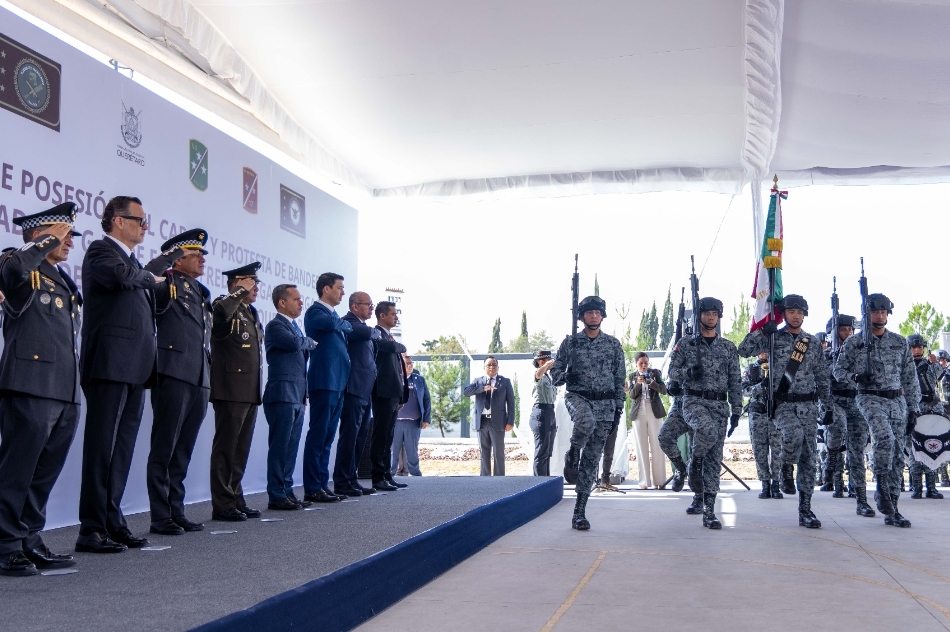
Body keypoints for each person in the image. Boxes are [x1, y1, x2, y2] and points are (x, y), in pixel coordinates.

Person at [78, 196, 167, 553]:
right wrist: (150, 277)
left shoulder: (132, 262)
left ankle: (113, 521)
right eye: (140, 220)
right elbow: (120, 277)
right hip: (110, 364)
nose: (145, 226)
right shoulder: (101, 252)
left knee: (122, 450)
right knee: (102, 448)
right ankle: (91, 528)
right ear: (118, 220)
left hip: (135, 367)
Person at [0, 204, 82, 576]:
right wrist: (46, 240)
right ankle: (5, 545)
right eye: (63, 235)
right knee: (17, 471)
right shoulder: (16, 262)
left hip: (64, 387)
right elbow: (12, 271)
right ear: (38, 235)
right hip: (30, 383)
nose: (69, 242)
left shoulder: (61, 278)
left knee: (44, 473)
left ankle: (30, 540)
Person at [738, 295, 832, 529]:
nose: (796, 316)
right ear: (784, 314)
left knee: (809, 457)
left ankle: (805, 509)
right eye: (791, 312)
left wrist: (827, 406)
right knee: (792, 435)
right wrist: (763, 332)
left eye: (800, 312)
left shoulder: (811, 343)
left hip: (808, 406)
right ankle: (786, 467)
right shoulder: (773, 338)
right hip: (782, 405)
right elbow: (743, 350)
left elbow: (822, 376)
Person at [144, 229, 213, 535]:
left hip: (198, 376)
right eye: (194, 254)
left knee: (183, 449)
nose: (201, 259)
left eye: (202, 254)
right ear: (179, 258)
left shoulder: (201, 292)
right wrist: (168, 258)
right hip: (172, 372)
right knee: (165, 447)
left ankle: (176, 510)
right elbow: (146, 279)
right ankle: (161, 516)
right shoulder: (166, 282)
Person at [833, 293, 920, 528]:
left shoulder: (899, 342)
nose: (880, 316)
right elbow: (838, 371)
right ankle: (881, 484)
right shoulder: (855, 343)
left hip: (897, 401)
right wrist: (855, 377)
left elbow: (910, 378)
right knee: (884, 438)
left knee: (897, 455)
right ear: (866, 313)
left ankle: (893, 508)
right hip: (869, 398)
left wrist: (914, 408)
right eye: (875, 312)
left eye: (883, 312)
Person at [550, 296, 625, 530]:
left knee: (592, 459)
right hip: (578, 397)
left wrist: (619, 407)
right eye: (589, 312)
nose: (593, 316)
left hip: (606, 404)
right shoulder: (570, 343)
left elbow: (619, 377)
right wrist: (565, 375)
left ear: (602, 316)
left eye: (597, 312)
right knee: (585, 421)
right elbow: (555, 374)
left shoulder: (613, 344)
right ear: (581, 317)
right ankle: (573, 451)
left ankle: (579, 512)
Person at [670, 297, 742, 530]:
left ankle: (709, 512)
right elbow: (672, 371)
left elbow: (735, 381)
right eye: (706, 314)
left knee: (714, 459)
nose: (711, 318)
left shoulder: (728, 347)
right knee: (706, 430)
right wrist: (688, 373)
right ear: (699, 315)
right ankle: (694, 461)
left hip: (719, 405)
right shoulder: (686, 343)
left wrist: (737, 409)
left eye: (714, 314)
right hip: (693, 401)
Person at [209, 262, 264, 522]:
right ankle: (223, 504)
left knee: (240, 449)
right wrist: (238, 293)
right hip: (230, 387)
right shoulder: (223, 304)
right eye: (250, 283)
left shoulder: (251, 311)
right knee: (226, 448)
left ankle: (235, 497)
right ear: (235, 284)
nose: (256, 288)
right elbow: (219, 316)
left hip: (249, 389)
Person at [263, 284, 317, 510]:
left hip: (296, 395)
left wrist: (304, 396)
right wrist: (309, 342)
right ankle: (276, 494)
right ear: (282, 303)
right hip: (282, 394)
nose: (301, 303)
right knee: (280, 447)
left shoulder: (295, 327)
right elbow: (293, 344)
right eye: (296, 299)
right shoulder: (276, 325)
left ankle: (286, 490)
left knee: (291, 447)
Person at [303, 272, 352, 503]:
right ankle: (313, 486)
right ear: (326, 289)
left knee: (328, 437)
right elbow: (337, 324)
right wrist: (343, 323)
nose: (343, 292)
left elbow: (343, 326)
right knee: (319, 435)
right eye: (339, 288)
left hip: (337, 382)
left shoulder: (332, 315)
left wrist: (342, 323)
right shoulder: (316, 311)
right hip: (324, 380)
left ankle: (322, 484)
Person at [824, 314, 876, 516]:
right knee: (837, 427)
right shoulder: (827, 356)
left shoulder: (860, 353)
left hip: (856, 402)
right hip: (835, 401)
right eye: (843, 329)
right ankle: (831, 459)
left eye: (850, 330)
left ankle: (861, 499)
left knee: (857, 452)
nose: (848, 333)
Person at [332, 292, 380, 498]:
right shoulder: (349, 323)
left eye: (372, 304)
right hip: (353, 388)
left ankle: (352, 479)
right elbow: (365, 333)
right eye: (368, 304)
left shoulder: (362, 326)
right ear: (354, 306)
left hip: (365, 389)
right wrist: (373, 332)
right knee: (350, 435)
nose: (371, 308)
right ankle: (342, 481)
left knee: (360, 436)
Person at [371, 301, 409, 491]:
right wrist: (399, 346)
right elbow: (394, 348)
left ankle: (387, 475)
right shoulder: (376, 334)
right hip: (383, 392)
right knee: (381, 435)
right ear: (382, 315)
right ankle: (378, 477)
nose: (396, 317)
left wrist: (401, 395)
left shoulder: (389, 337)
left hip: (393, 393)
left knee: (388, 435)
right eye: (393, 314)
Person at [905, 334, 945, 500]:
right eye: (913, 347)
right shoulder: (903, 365)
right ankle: (916, 487)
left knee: (932, 448)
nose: (917, 350)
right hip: (913, 411)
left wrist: (934, 363)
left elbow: (938, 375)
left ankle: (931, 488)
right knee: (915, 450)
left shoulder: (929, 364)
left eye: (920, 347)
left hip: (932, 409)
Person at [464, 356, 515, 477]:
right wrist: (482, 388)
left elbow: (511, 403)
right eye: (489, 365)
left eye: (494, 365)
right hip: (482, 421)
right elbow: (466, 392)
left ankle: (499, 479)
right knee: (484, 453)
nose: (491, 367)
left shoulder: (505, 382)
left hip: (498, 421)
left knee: (498, 453)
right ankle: (485, 479)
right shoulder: (478, 381)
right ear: (484, 367)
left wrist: (510, 421)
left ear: (498, 367)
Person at [743, 352, 784, 499]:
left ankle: (776, 483)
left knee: (777, 449)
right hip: (757, 414)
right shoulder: (751, 369)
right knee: (759, 450)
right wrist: (760, 386)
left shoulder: (779, 366)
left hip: (776, 413)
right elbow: (744, 390)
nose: (765, 353)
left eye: (767, 349)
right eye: (761, 350)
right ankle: (765, 483)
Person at [628, 352, 667, 489]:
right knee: (641, 446)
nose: (644, 365)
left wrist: (651, 383)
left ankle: (659, 481)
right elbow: (632, 395)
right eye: (641, 363)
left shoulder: (655, 373)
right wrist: (638, 384)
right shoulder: (632, 376)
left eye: (646, 362)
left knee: (657, 444)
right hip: (639, 411)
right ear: (636, 364)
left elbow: (664, 390)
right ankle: (644, 481)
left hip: (654, 409)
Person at [392, 355, 431, 478]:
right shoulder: (394, 378)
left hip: (413, 422)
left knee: (412, 451)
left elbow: (426, 399)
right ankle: (389, 475)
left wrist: (426, 419)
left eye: (411, 363)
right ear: (400, 365)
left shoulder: (419, 380)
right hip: (395, 422)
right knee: (393, 451)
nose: (410, 366)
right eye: (407, 363)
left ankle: (415, 475)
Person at [529, 350, 558, 477]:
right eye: (549, 360)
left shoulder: (548, 377)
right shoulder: (538, 374)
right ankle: (539, 482)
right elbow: (538, 375)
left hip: (550, 412)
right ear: (541, 362)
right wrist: (546, 365)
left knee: (547, 452)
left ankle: (546, 481)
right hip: (540, 412)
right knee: (541, 452)